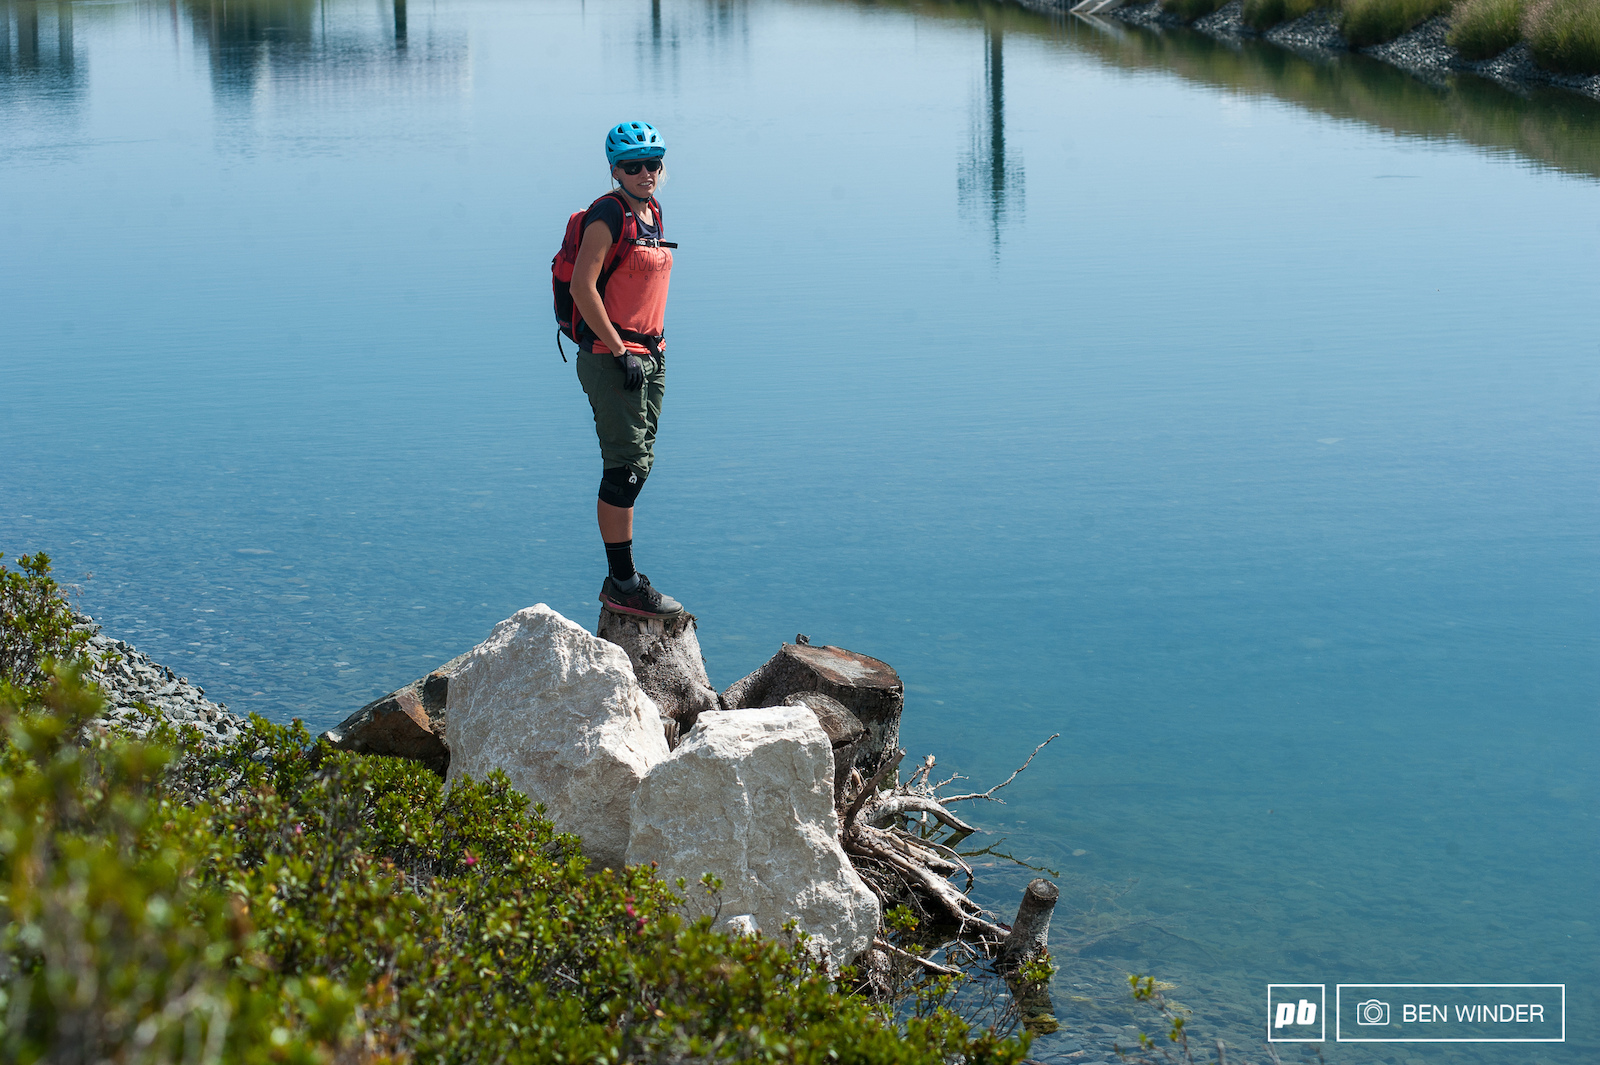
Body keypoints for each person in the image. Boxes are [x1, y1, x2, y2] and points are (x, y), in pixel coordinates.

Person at [572, 120, 683, 618]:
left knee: (637, 465)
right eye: (633, 166)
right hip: (613, 358)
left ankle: (624, 578)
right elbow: (583, 288)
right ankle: (622, 582)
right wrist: (619, 350)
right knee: (624, 470)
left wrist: (652, 347)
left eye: (652, 163)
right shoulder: (609, 215)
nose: (645, 172)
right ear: (615, 170)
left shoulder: (651, 212)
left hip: (647, 355)